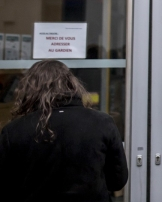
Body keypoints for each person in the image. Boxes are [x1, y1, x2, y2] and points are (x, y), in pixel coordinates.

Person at [0, 60, 128, 201]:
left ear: (29, 90)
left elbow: (5, 186)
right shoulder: (102, 123)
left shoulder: (13, 131)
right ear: (72, 85)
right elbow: (117, 181)